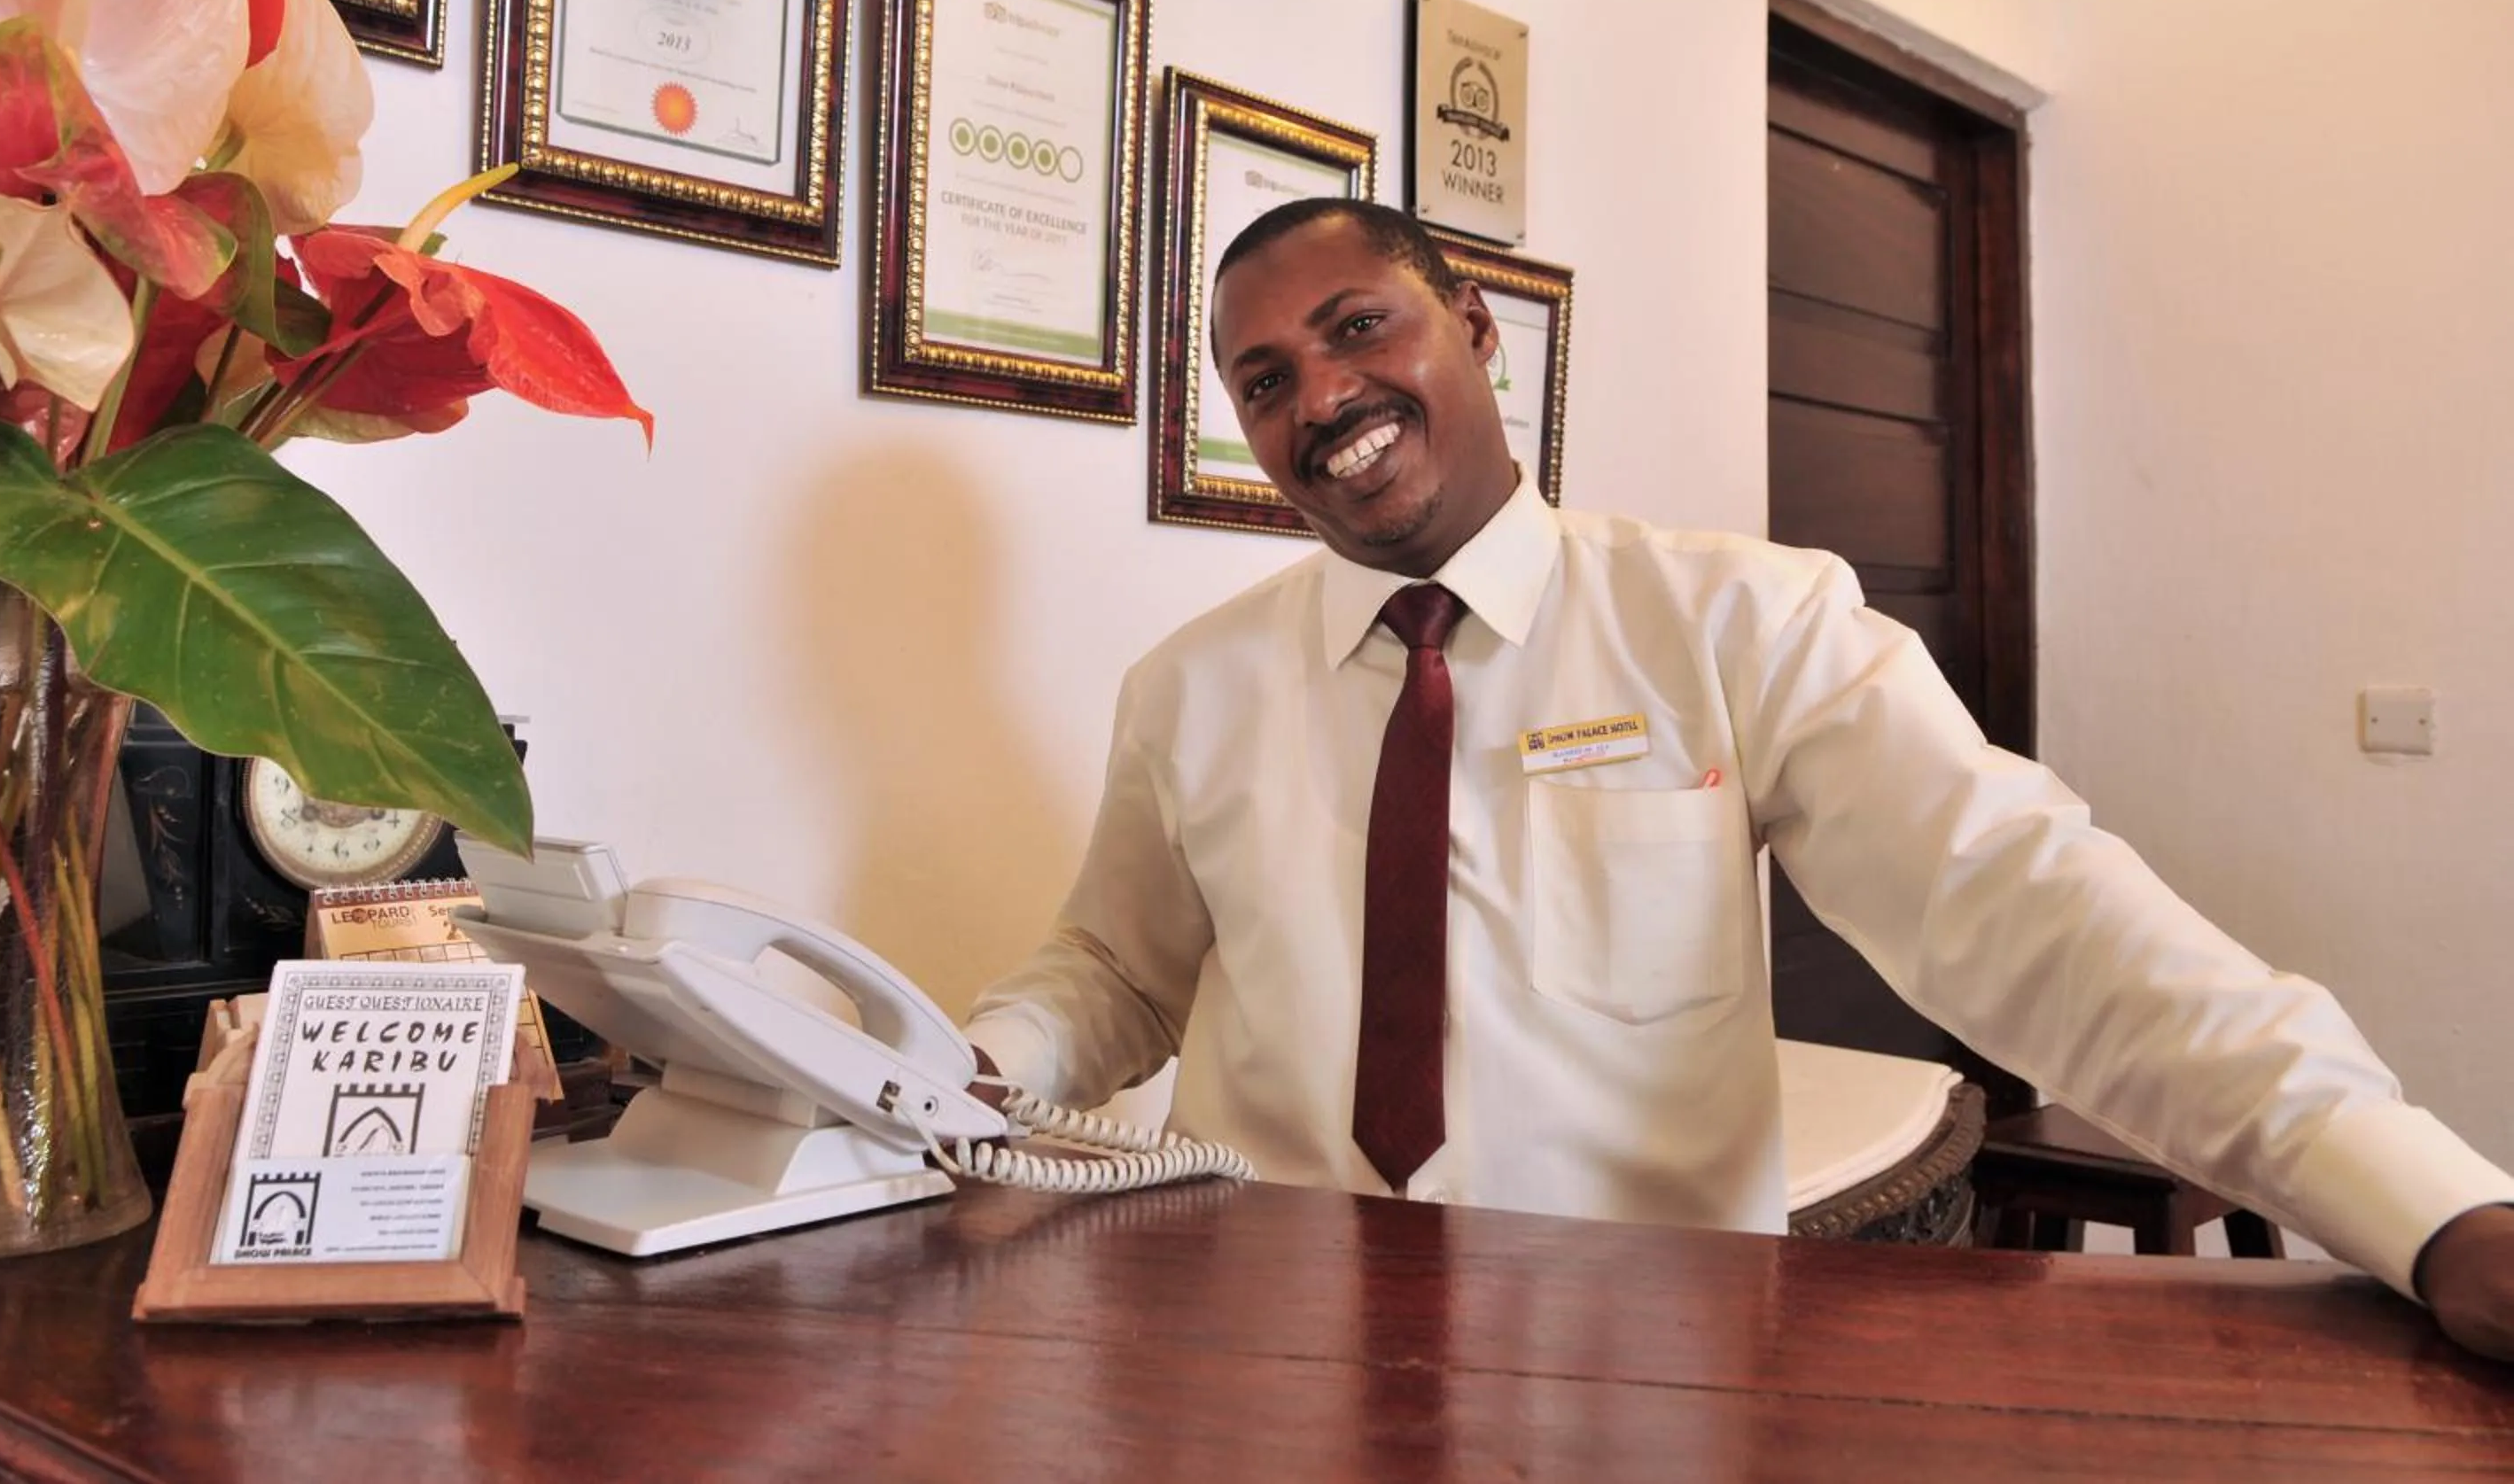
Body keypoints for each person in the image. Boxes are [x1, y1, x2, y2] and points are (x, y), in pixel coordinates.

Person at [965, 198, 2514, 1359]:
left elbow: (2033, 907)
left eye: (1360, 326)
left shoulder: (1739, 626)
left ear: (1481, 328)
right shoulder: (1189, 692)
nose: (1320, 399)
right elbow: (1116, 971)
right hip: (1267, 1369)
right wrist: (967, 1071)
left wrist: (2422, 1205)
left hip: (1648, 1384)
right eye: (1264, 379)